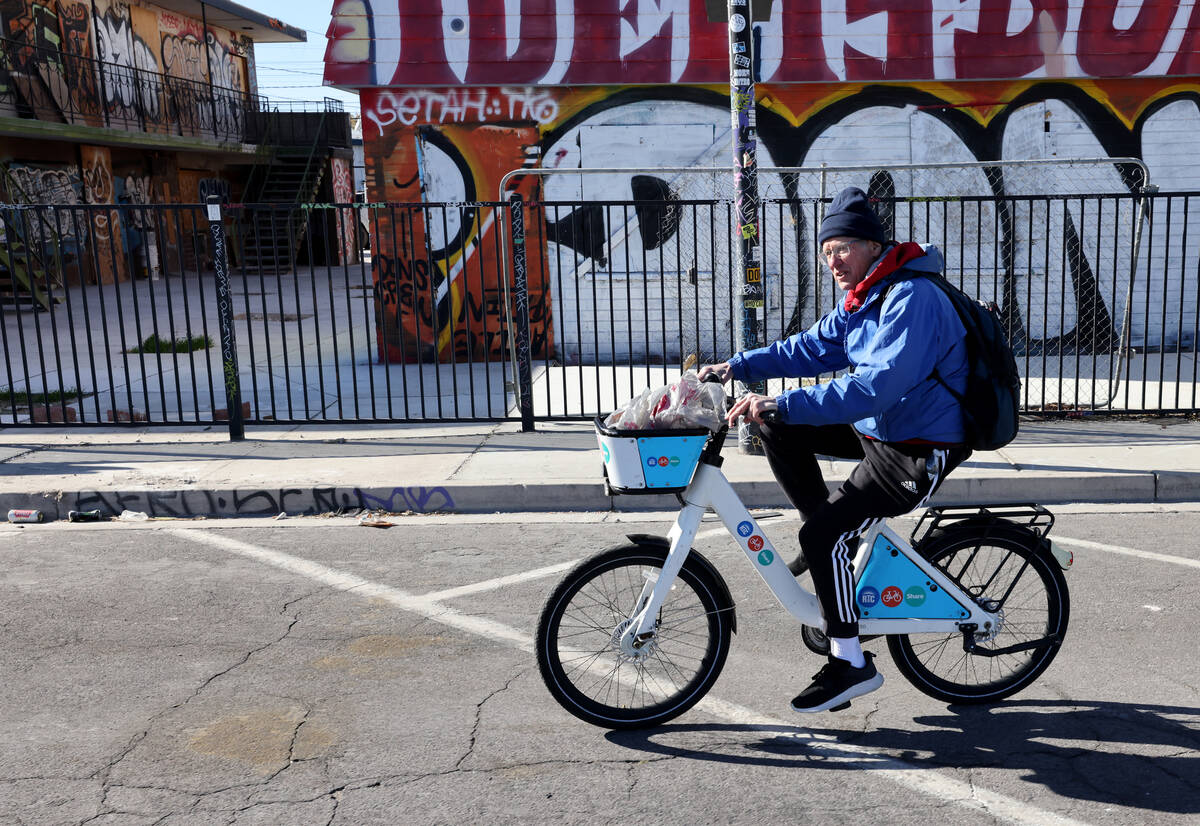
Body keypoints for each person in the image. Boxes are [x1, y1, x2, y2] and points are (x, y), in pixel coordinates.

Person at [698, 186, 972, 713]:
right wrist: (737, 367)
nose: (833, 262)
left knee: (819, 531)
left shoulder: (911, 298)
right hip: (885, 428)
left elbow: (876, 387)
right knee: (778, 429)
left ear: (872, 244)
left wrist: (785, 400)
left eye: (842, 247)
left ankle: (851, 664)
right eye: (826, 253)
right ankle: (833, 542)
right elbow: (811, 347)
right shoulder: (867, 295)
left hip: (919, 446)